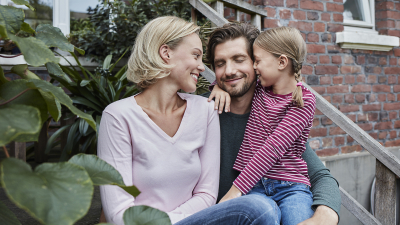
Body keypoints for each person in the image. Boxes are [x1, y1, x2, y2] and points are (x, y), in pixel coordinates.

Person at [175, 23, 340, 225]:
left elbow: (320, 175)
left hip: (277, 201)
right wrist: (215, 88)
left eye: (239, 59)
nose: (229, 71)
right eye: (220, 64)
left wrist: (326, 214)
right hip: (224, 216)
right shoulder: (200, 110)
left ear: (257, 63)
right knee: (262, 209)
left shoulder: (275, 112)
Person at [97, 16, 221, 225]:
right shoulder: (118, 116)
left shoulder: (205, 110)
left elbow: (207, 195)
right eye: (196, 55)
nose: (201, 67)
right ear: (166, 53)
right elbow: (118, 212)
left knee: (256, 207)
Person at [213, 26, 316, 225]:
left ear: (282, 62)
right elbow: (234, 81)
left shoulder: (303, 100)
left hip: (291, 188)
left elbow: (272, 148)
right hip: (256, 188)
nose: (255, 67)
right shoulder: (260, 89)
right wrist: (217, 87)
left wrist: (235, 191)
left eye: (258, 61)